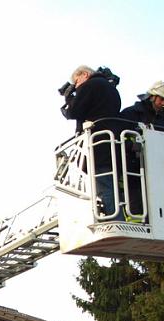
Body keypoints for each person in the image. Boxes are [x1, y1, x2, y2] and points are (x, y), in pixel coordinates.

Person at [61, 64, 122, 216]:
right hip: (111, 140)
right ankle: (115, 215)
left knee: (102, 183)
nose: (76, 86)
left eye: (76, 82)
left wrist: (69, 98)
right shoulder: (110, 88)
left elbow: (74, 112)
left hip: (96, 142)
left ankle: (112, 218)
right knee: (109, 181)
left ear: (85, 75)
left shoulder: (90, 86)